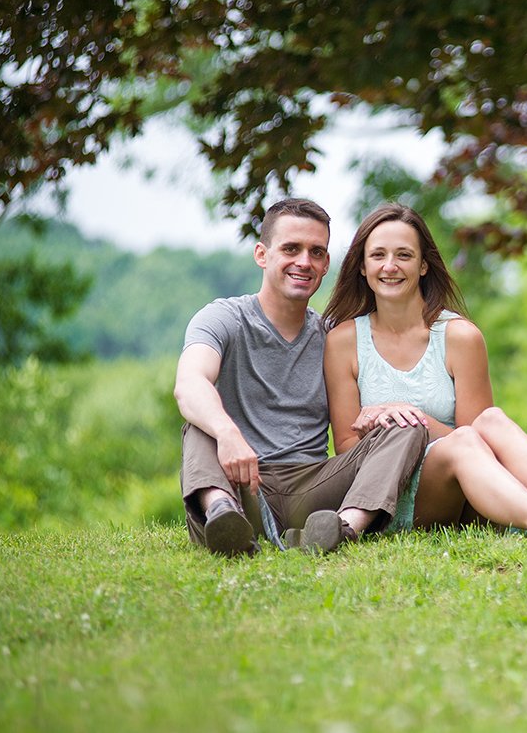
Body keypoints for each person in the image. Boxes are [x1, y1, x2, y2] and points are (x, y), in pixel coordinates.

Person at [321, 203, 527, 548]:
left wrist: (414, 419)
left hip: (464, 490)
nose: (390, 266)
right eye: (378, 255)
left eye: (404, 255)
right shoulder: (343, 341)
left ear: (423, 266)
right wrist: (389, 424)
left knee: (491, 420)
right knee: (464, 441)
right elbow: (345, 448)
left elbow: (478, 439)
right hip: (388, 497)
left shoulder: (459, 336)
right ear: (362, 266)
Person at [175, 198, 428, 557]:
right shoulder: (223, 318)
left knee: (407, 426)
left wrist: (377, 415)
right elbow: (189, 383)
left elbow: (352, 426)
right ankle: (222, 517)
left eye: (316, 252)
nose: (304, 262)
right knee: (201, 422)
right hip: (239, 484)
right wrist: (227, 433)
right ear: (262, 255)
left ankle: (343, 528)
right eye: (291, 249)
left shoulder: (333, 336)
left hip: (313, 488)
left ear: (326, 263)